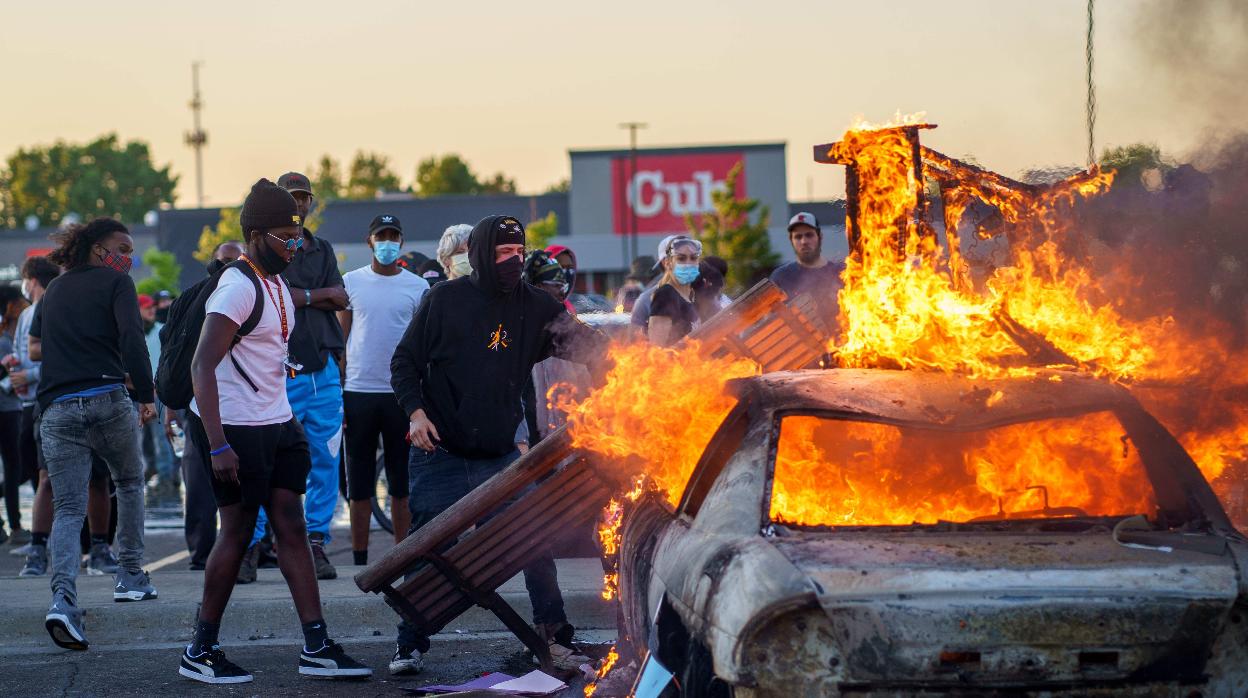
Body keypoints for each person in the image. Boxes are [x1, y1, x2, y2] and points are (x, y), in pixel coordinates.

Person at [388, 215, 607, 675]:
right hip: (439, 452)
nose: (514, 262)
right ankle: (409, 641)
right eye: (504, 254)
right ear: (480, 255)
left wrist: (615, 385)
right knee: (425, 547)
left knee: (534, 541)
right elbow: (404, 361)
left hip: (501, 456)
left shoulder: (537, 306)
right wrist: (416, 413)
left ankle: (553, 635)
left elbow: (594, 348)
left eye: (519, 253)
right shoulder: (444, 300)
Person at [180, 179, 370, 684]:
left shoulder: (277, 285)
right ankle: (200, 650)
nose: (295, 245)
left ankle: (317, 645)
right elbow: (202, 366)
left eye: (298, 235)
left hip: (276, 421)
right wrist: (218, 444)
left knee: (292, 526)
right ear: (256, 234)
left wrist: (287, 420)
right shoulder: (238, 286)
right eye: (286, 237)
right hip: (233, 428)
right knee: (238, 532)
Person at [32, 217, 157, 651]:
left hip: (57, 407)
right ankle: (130, 574)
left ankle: (62, 600)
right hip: (107, 396)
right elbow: (132, 338)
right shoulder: (115, 283)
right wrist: (145, 393)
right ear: (98, 249)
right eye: (121, 247)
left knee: (68, 508)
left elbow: (46, 350)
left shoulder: (54, 291)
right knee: (128, 481)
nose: (128, 257)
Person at [240, 171, 349, 583]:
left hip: (322, 370)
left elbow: (340, 296)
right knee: (265, 462)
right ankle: (252, 545)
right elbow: (277, 295)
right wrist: (312, 297)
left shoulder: (321, 249)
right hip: (276, 371)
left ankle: (316, 542)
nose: (299, 204)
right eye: (292, 197)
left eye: (304, 197)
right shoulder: (263, 252)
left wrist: (304, 296)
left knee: (325, 460)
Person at [339, 214, 428, 566]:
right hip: (359, 391)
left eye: (393, 236)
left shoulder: (417, 287)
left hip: (400, 395)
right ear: (370, 241)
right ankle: (359, 559)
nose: (387, 242)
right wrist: (341, 387)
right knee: (358, 482)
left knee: (400, 482)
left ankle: (400, 557)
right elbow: (342, 337)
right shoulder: (351, 282)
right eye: (381, 236)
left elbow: (421, 346)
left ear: (401, 243)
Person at [169, 241, 246, 570]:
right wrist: (170, 404)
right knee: (199, 485)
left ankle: (252, 552)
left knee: (252, 488)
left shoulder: (252, 292)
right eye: (224, 260)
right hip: (199, 406)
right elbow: (176, 356)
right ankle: (201, 556)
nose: (230, 265)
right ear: (212, 263)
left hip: (245, 406)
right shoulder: (193, 299)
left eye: (236, 260)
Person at [9, 257, 59, 565]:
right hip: (27, 402)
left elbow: (58, 355)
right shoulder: (27, 314)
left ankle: (49, 540)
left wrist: (28, 375)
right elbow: (19, 351)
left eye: (26, 281)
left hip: (47, 398)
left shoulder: (52, 308)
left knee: (46, 472)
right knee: (31, 465)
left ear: (32, 280)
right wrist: (13, 369)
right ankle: (43, 537)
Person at [768, 212, 845, 336]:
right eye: (798, 237)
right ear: (791, 240)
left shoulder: (841, 272)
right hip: (802, 352)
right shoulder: (781, 276)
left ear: (820, 236)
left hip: (846, 350)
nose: (804, 241)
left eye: (809, 235)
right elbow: (772, 323)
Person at [0, 285, 30, 543]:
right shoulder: (5, 341)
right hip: (7, 410)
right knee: (16, 467)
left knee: (16, 467)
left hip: (11, 408)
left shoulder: (8, 337)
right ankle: (16, 527)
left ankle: (7, 526)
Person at [139, 294, 177, 496]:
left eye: (152, 307)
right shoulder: (133, 333)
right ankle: (153, 471)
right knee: (144, 439)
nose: (152, 311)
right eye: (147, 308)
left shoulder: (160, 331)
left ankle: (166, 477)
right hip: (138, 393)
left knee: (161, 436)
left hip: (157, 392)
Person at [646, 236, 704, 347]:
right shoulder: (665, 295)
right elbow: (657, 348)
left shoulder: (692, 296)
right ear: (668, 263)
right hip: (675, 363)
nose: (688, 263)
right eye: (681, 259)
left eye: (693, 258)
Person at [544, 244, 578, 314]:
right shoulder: (535, 305)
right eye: (561, 267)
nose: (566, 273)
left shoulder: (568, 307)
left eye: (570, 268)